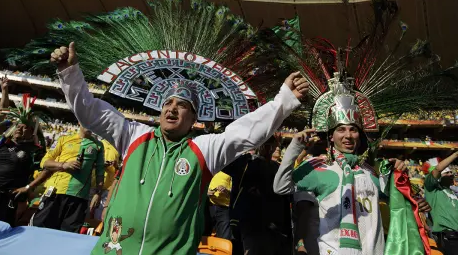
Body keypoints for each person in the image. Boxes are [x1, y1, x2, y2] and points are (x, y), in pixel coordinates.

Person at [50, 42, 308, 255]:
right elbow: (90, 112)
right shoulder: (133, 135)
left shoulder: (204, 149)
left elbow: (244, 133)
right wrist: (70, 72)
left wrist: (284, 101)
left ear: (194, 117)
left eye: (181, 105)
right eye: (167, 103)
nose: (172, 108)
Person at [274, 71, 432, 255]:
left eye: (353, 130)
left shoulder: (372, 171)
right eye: (341, 130)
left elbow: (398, 200)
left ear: (360, 135)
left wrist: (416, 201)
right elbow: (280, 187)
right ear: (331, 137)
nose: (348, 135)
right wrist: (294, 148)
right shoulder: (318, 168)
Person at [0, 94, 48, 226]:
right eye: (18, 126)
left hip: (8, 199)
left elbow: (46, 170)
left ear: (32, 132)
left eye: (24, 127)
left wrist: (28, 188)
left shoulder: (35, 151)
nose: (19, 129)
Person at [30, 124, 105, 233]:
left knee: (68, 235)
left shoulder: (98, 145)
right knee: (40, 230)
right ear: (80, 122)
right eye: (86, 120)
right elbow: (44, 162)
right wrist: (63, 165)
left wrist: (98, 193)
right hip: (56, 192)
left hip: (79, 197)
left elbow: (100, 172)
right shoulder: (64, 139)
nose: (90, 125)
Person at [225, 135, 292, 255]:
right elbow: (223, 158)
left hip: (274, 224)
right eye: (265, 143)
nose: (269, 148)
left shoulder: (277, 167)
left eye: (271, 144)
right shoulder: (245, 163)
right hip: (250, 223)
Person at [424, 152, 458, 254]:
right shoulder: (432, 189)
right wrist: (456, 154)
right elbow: (438, 169)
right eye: (446, 173)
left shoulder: (451, 192)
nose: (451, 174)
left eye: (451, 172)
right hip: (449, 237)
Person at [90, 139, 120, 220]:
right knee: (88, 210)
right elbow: (90, 163)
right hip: (94, 184)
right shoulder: (98, 144)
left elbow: (120, 169)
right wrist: (101, 165)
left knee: (99, 215)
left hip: (108, 188)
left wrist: (116, 165)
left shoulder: (118, 148)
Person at [207, 171, 232, 240]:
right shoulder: (210, 170)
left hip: (224, 209)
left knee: (224, 238)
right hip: (208, 206)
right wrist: (207, 191)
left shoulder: (230, 171)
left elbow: (235, 192)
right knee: (205, 236)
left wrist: (226, 191)